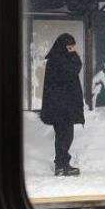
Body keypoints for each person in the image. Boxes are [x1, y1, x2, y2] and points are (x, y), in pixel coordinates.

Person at [40, 33, 85, 176]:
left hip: (63, 106)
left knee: (65, 136)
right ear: (63, 46)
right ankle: (61, 165)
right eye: (69, 46)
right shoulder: (57, 60)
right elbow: (71, 72)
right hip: (60, 107)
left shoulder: (60, 59)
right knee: (64, 136)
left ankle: (62, 164)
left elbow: (73, 70)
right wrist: (74, 56)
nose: (72, 49)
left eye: (73, 46)